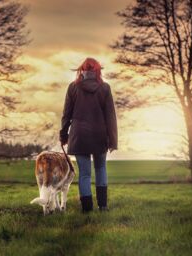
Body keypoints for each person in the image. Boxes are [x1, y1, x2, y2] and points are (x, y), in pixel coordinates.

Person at [59, 57, 118, 213]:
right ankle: (103, 207)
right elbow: (110, 116)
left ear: (81, 70)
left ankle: (87, 210)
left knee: (84, 174)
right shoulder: (105, 88)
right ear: (98, 71)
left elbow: (66, 115)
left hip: (79, 137)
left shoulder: (73, 88)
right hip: (100, 135)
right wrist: (113, 141)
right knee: (101, 169)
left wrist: (63, 135)